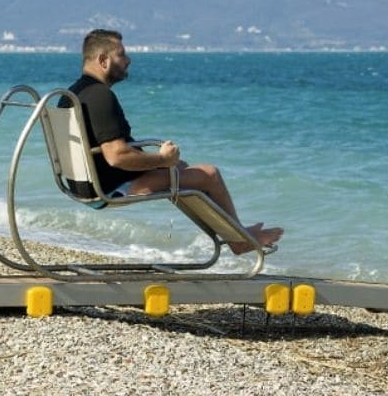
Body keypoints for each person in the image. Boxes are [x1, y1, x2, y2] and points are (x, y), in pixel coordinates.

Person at [63, 29, 283, 254]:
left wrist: (164, 162)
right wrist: (161, 158)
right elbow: (116, 156)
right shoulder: (100, 97)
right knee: (209, 174)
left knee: (182, 170)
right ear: (103, 60)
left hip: (86, 187)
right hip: (112, 189)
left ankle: (235, 233)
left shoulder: (72, 93)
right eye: (121, 55)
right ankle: (238, 241)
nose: (128, 60)